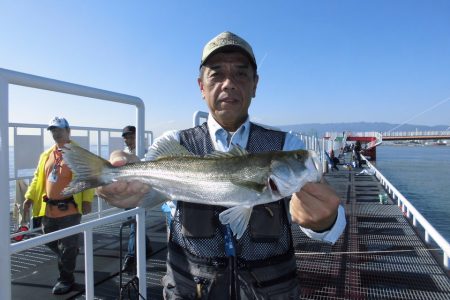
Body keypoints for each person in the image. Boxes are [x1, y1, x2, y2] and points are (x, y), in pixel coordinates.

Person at [98, 31, 346, 299]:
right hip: (190, 289)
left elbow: (332, 221)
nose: (229, 83)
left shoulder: (286, 144)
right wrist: (113, 179)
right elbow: (139, 181)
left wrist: (325, 220)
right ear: (201, 86)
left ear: (255, 84)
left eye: (241, 74)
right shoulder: (175, 142)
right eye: (216, 74)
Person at [22, 117, 94, 295]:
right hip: (49, 209)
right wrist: (29, 197)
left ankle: (65, 279)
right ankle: (69, 255)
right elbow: (38, 178)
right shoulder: (46, 155)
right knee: (48, 239)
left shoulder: (79, 152)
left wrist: (87, 200)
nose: (56, 133)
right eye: (53, 130)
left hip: (70, 209)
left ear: (68, 131)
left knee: (68, 246)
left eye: (59, 129)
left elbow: (89, 176)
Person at [120, 125, 153, 273]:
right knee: (135, 223)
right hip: (128, 194)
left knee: (135, 224)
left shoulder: (146, 153)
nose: (128, 140)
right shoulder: (123, 154)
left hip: (141, 194)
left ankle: (131, 256)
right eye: (126, 137)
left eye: (131, 136)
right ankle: (147, 246)